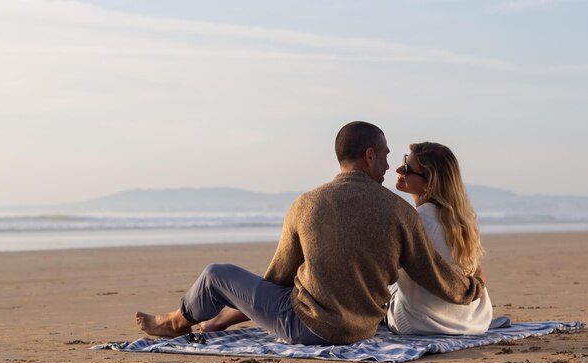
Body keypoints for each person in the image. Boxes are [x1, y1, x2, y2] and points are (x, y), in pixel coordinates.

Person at [136, 121, 486, 346]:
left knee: (215, 275)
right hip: (361, 330)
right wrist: (473, 288)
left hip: (306, 328)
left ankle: (176, 321)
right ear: (368, 156)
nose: (387, 164)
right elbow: (434, 275)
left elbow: (278, 279)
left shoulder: (306, 204)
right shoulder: (400, 212)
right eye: (384, 155)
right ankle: (204, 321)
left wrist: (234, 311)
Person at [386, 143, 493, 334]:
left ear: (430, 182)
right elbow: (478, 272)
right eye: (404, 161)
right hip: (474, 319)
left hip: (423, 323)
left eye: (408, 168)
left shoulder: (414, 221)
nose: (399, 169)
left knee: (390, 284)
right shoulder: (461, 220)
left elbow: (382, 272)